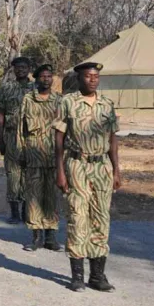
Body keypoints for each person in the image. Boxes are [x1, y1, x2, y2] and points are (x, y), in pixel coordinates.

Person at [54, 62, 121, 293]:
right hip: (76, 165)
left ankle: (97, 276)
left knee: (101, 219)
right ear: (79, 78)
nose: (93, 80)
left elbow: (113, 139)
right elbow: (58, 139)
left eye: (96, 76)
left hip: (101, 166)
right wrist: (60, 171)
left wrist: (116, 170)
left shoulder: (107, 105)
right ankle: (77, 276)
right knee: (77, 217)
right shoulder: (68, 102)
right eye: (88, 76)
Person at [17, 64, 63, 252]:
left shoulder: (59, 100)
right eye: (42, 76)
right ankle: (36, 236)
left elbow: (64, 129)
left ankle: (51, 236)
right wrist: (21, 152)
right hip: (33, 154)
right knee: (34, 196)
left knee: (51, 196)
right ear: (36, 79)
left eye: (49, 76)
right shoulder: (28, 100)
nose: (46, 79)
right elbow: (21, 128)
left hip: (54, 155)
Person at [0, 57, 35, 224]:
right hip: (11, 136)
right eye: (17, 67)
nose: (20, 70)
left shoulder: (36, 87)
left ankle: (27, 211)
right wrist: (0, 139)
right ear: (13, 69)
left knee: (29, 173)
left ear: (29, 69)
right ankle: (14, 213)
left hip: (31, 137)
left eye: (24, 67)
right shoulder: (6, 88)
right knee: (13, 173)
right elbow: (0, 115)